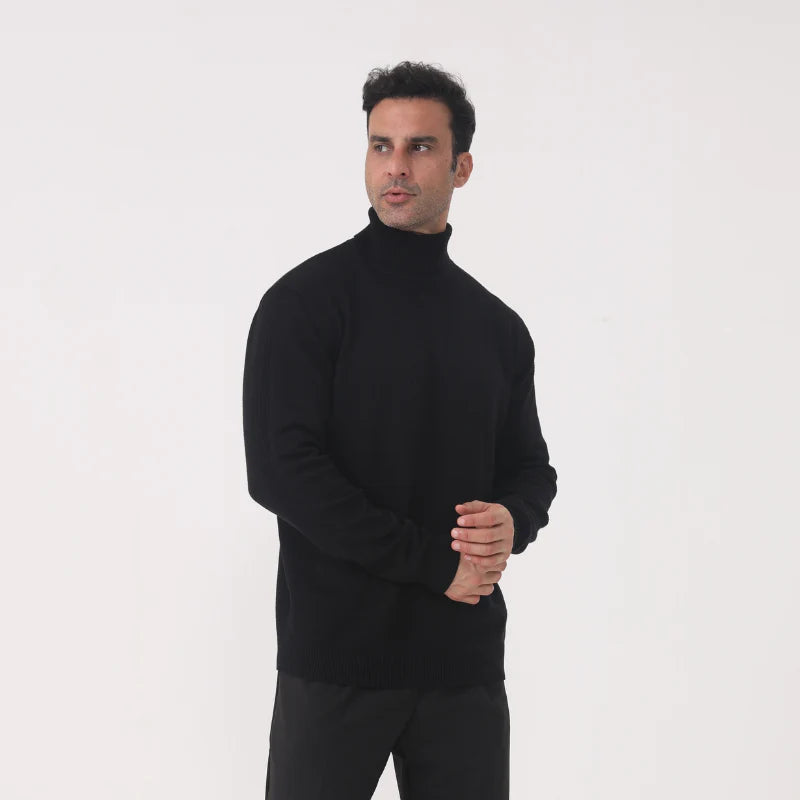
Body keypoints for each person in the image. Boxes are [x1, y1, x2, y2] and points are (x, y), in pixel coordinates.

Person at [242, 60, 557, 800]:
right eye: (381, 145)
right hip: (337, 660)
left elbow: (530, 469)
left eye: (420, 147)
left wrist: (513, 519)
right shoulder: (305, 304)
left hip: (463, 663)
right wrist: (435, 564)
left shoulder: (497, 328)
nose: (397, 166)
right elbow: (283, 473)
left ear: (461, 166)